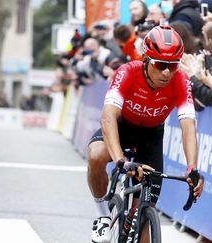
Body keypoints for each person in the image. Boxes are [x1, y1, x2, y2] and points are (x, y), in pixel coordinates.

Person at [87, 25, 204, 243]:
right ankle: (102, 215)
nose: (167, 72)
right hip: (121, 129)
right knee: (96, 156)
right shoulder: (127, 72)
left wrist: (192, 167)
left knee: (144, 217)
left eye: (173, 65)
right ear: (146, 59)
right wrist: (120, 160)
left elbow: (188, 125)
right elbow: (108, 118)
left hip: (150, 137)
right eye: (161, 65)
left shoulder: (180, 81)